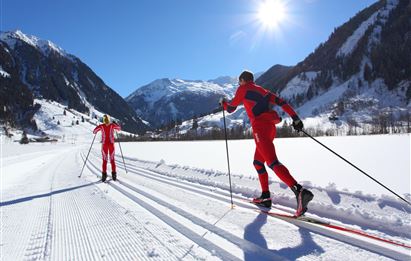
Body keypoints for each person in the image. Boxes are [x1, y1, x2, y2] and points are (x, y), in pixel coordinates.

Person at [220, 70, 313, 217]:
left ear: (243, 80)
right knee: (258, 162)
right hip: (270, 128)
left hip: (260, 128)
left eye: (239, 82)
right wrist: (296, 119)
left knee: (272, 162)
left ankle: (300, 191)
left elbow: (231, 108)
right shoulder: (263, 91)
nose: (239, 84)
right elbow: (283, 103)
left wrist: (223, 103)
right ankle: (265, 197)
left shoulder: (243, 89)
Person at [93, 114, 121, 182]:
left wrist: (98, 128)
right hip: (111, 145)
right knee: (112, 160)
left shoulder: (101, 126)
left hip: (104, 145)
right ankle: (114, 175)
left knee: (105, 161)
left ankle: (104, 176)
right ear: (109, 119)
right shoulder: (112, 125)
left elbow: (94, 132)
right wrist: (115, 123)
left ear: (103, 120)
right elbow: (119, 129)